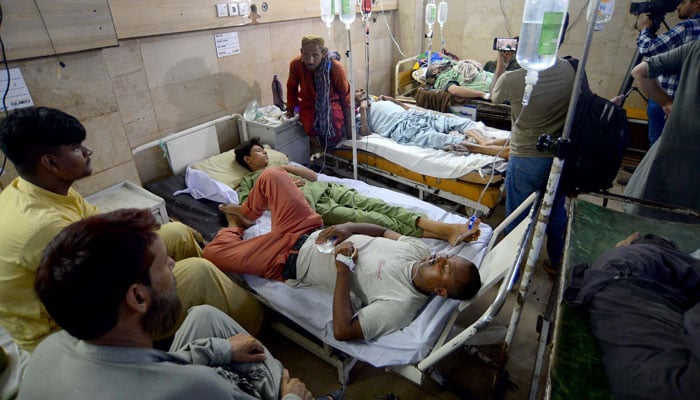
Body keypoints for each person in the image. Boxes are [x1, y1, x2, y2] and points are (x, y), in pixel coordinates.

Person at [0, 107, 263, 352]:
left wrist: (158, 253)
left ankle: (211, 302)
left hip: (93, 280)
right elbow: (108, 287)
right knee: (198, 272)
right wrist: (162, 269)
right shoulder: (44, 226)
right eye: (77, 148)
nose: (88, 151)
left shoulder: (39, 190)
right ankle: (255, 329)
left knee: (176, 233)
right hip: (71, 329)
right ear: (50, 163)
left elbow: (105, 231)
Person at [19, 209, 315, 400]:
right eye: (164, 264)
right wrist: (291, 397)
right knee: (282, 385)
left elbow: (150, 373)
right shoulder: (193, 388)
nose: (174, 264)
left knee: (203, 316)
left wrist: (220, 350)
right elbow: (168, 384)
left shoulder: (51, 347)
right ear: (138, 297)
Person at [202, 167, 482, 341]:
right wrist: (349, 227)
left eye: (444, 268)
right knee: (272, 174)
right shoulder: (419, 251)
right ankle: (248, 214)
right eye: (446, 258)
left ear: (442, 292)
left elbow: (343, 331)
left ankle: (235, 225)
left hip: (285, 259)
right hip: (305, 226)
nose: (439, 258)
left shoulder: (400, 305)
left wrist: (343, 270)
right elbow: (383, 232)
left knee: (213, 253)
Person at [235, 137, 482, 246]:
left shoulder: (280, 166)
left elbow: (313, 176)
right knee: (373, 219)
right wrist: (282, 189)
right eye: (259, 151)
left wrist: (287, 167)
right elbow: (250, 212)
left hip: (327, 188)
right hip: (315, 206)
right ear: (247, 159)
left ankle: (446, 232)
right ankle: (445, 233)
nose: (265, 154)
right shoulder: (250, 181)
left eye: (265, 151)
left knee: (382, 206)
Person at [565, 232, 700, 399]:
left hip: (628, 275)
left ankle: (649, 244)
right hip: (632, 272)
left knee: (625, 260)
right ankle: (650, 244)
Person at [490, 14, 573, 272]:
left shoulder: (514, 79)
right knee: (555, 210)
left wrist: (502, 64)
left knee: (517, 218)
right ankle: (557, 262)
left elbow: (493, 98)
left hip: (526, 158)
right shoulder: (570, 70)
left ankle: (511, 274)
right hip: (558, 158)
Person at [624, 41, 700, 222]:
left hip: (670, 155)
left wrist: (667, 103)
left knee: (646, 229)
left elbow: (639, 72)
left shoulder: (695, 47)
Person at [356, 91, 509, 158]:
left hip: (414, 115)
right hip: (402, 129)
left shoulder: (377, 100)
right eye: (356, 91)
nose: (361, 90)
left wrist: (392, 100)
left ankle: (485, 140)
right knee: (440, 139)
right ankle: (486, 150)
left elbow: (409, 109)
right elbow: (366, 133)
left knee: (456, 121)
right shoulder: (357, 114)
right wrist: (363, 111)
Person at [636, 0, 700, 146]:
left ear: (696, 3)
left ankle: (651, 169)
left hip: (666, 99)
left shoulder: (687, 27)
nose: (677, 6)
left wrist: (645, 29)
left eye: (683, 2)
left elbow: (648, 49)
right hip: (692, 105)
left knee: (657, 145)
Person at [286, 35, 351, 149]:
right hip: (308, 103)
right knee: (310, 127)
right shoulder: (296, 64)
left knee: (334, 127)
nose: (310, 60)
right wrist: (291, 110)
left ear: (324, 53)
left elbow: (346, 97)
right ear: (301, 52)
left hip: (332, 102)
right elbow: (292, 88)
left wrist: (351, 132)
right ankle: (321, 151)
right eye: (306, 55)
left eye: (315, 55)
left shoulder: (335, 68)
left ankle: (329, 151)